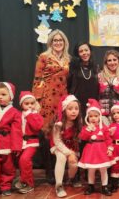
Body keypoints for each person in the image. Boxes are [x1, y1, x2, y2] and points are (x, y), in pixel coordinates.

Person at [31, 29, 71, 183]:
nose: (58, 42)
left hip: (63, 100)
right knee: (47, 135)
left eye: (60, 40)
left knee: (60, 134)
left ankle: (61, 170)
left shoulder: (68, 59)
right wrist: (36, 100)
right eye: (55, 40)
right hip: (47, 100)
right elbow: (37, 79)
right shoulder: (44, 57)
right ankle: (49, 172)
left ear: (64, 42)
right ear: (51, 42)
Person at [78, 99, 114, 196]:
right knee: (91, 170)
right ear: (87, 117)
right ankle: (90, 186)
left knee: (103, 169)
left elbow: (108, 139)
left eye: (96, 116)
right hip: (91, 151)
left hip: (102, 151)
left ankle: (105, 186)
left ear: (100, 116)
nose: (93, 118)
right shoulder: (86, 128)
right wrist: (88, 130)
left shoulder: (104, 128)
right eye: (91, 116)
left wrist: (110, 148)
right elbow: (82, 137)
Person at [50, 95, 81, 198]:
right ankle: (59, 185)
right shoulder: (58, 124)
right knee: (61, 157)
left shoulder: (78, 123)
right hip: (58, 145)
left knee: (73, 163)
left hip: (71, 146)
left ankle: (70, 178)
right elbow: (57, 141)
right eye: (70, 108)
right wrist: (69, 153)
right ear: (64, 110)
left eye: (76, 109)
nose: (74, 111)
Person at [14, 91, 44, 194]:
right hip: (20, 142)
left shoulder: (35, 115)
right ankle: (24, 181)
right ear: (21, 104)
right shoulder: (18, 114)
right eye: (27, 104)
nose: (30, 106)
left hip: (31, 141)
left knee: (24, 160)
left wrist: (30, 115)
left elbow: (37, 126)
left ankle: (28, 183)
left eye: (32, 103)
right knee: (22, 163)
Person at [98, 50, 119, 125]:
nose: (112, 63)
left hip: (118, 115)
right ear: (106, 63)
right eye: (109, 60)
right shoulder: (100, 76)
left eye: (114, 60)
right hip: (102, 114)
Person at [68, 42, 99, 117]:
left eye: (86, 50)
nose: (84, 53)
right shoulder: (73, 68)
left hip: (92, 104)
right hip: (77, 104)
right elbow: (69, 86)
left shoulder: (96, 67)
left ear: (90, 51)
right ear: (77, 54)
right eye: (81, 51)